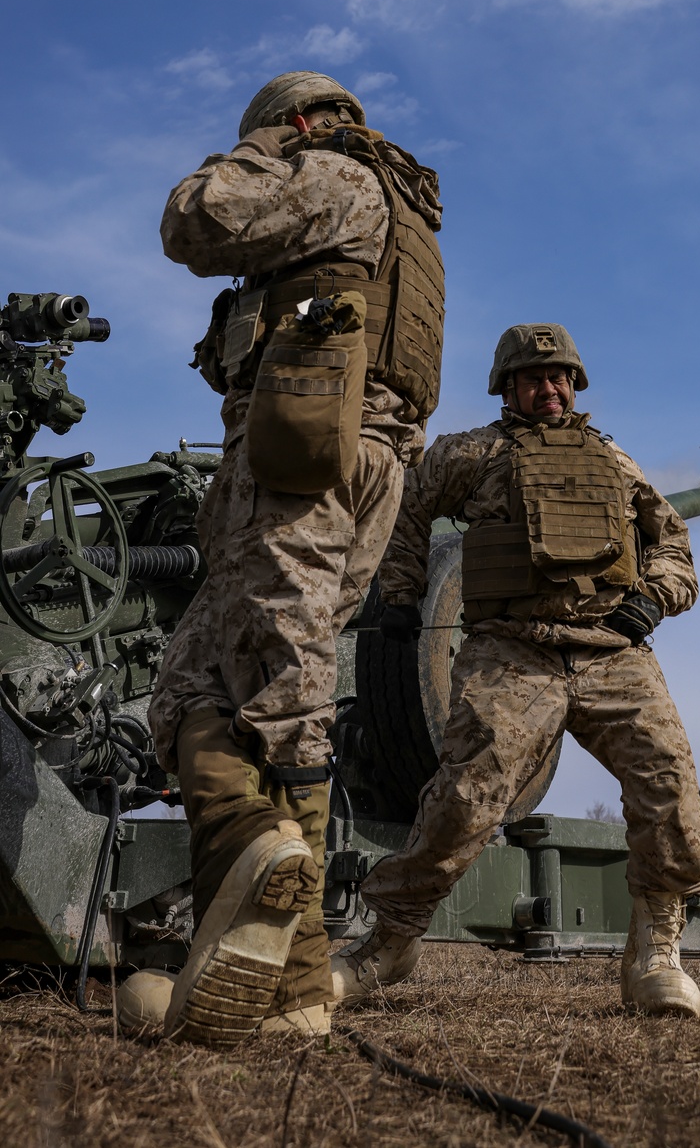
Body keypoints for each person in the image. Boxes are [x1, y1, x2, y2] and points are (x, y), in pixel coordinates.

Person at [133, 71, 444, 1047]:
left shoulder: (336, 177)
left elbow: (196, 219)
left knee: (278, 687)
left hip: (302, 447)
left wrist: (260, 152)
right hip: (359, 458)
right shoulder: (400, 217)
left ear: (302, 123)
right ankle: (280, 957)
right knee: (192, 689)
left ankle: (293, 968)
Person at [330, 323, 700, 1018]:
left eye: (561, 375)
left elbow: (672, 542)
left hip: (610, 649)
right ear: (508, 387)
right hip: (512, 649)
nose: (550, 387)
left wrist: (653, 598)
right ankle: (390, 941)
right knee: (463, 800)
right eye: (534, 376)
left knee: (670, 785)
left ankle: (656, 947)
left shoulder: (616, 462)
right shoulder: (471, 453)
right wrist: (403, 597)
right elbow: (406, 509)